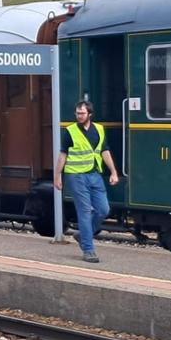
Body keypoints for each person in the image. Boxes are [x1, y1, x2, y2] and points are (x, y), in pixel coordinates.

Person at [54, 100, 119, 264]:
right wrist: (57, 176)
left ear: (90, 114)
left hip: (94, 175)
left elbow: (104, 151)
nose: (79, 116)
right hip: (75, 176)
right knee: (84, 211)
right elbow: (63, 155)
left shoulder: (99, 129)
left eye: (82, 113)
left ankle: (82, 235)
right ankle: (88, 250)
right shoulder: (70, 131)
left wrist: (113, 172)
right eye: (77, 113)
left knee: (103, 209)